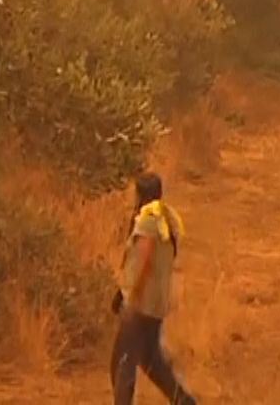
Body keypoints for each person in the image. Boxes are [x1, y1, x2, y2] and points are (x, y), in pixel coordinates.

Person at [111, 173, 198, 405]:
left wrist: (131, 296)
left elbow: (143, 259)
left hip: (141, 303)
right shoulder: (167, 218)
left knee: (123, 361)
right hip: (156, 303)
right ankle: (184, 401)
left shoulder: (148, 221)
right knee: (152, 361)